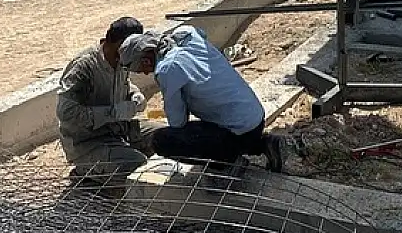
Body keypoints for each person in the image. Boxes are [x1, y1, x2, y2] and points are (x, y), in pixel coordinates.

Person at [119, 25, 285, 173]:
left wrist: (183, 98)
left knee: (163, 140)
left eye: (143, 69)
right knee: (215, 122)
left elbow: (177, 123)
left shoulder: (167, 69)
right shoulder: (187, 34)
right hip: (255, 119)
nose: (147, 73)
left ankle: (229, 164)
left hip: (240, 131)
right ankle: (264, 144)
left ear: (147, 60)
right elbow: (201, 33)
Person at [56, 16, 161, 181]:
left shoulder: (123, 59)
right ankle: (85, 170)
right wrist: (112, 113)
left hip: (119, 130)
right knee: (136, 165)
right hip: (88, 142)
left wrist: (135, 95)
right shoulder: (84, 67)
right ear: (119, 44)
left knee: (165, 137)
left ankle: (120, 153)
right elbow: (66, 113)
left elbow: (125, 83)